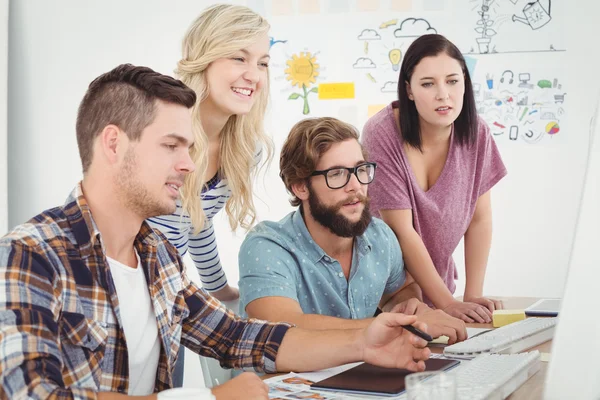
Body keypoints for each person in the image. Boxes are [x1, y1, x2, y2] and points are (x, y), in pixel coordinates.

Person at [0, 64, 430, 400]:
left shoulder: (158, 257)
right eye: (171, 145)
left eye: (188, 147)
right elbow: (30, 393)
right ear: (113, 144)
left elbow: (238, 337)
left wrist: (364, 343)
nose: (188, 165)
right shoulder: (32, 255)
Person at [238, 117, 467, 344]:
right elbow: (280, 327)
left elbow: (400, 290)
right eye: (336, 174)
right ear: (300, 187)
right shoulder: (267, 246)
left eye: (360, 170)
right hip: (282, 380)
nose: (356, 185)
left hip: (359, 374)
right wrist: (396, 325)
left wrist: (406, 307)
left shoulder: (380, 236)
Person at [146, 3, 274, 385]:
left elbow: (195, 224)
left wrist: (217, 286)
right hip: (119, 300)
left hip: (168, 304)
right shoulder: (159, 127)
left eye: (263, 62)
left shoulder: (243, 147)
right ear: (204, 59)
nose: (253, 75)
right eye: (239, 57)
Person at [362, 34, 508, 324]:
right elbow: (401, 231)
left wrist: (471, 295)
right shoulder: (380, 133)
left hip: (441, 292)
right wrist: (448, 303)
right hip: (387, 295)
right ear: (410, 90)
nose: (443, 94)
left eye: (452, 81)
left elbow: (480, 219)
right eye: (428, 83)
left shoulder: (476, 133)